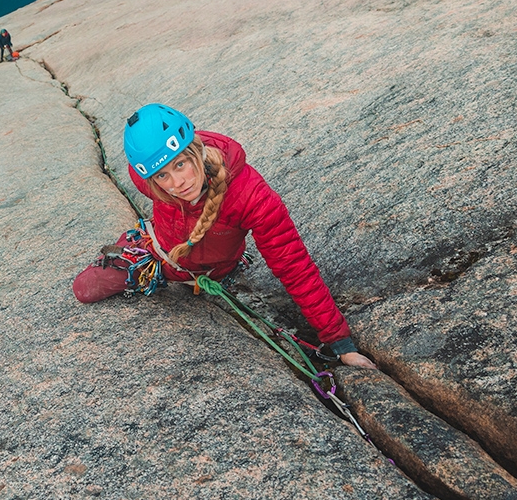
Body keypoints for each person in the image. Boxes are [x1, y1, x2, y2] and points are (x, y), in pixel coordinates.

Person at [72, 103, 377, 369]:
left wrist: (339, 342)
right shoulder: (146, 179)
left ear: (195, 149)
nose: (177, 183)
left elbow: (293, 266)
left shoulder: (250, 195)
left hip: (214, 272)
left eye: (181, 164)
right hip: (160, 257)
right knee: (84, 289)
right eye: (162, 174)